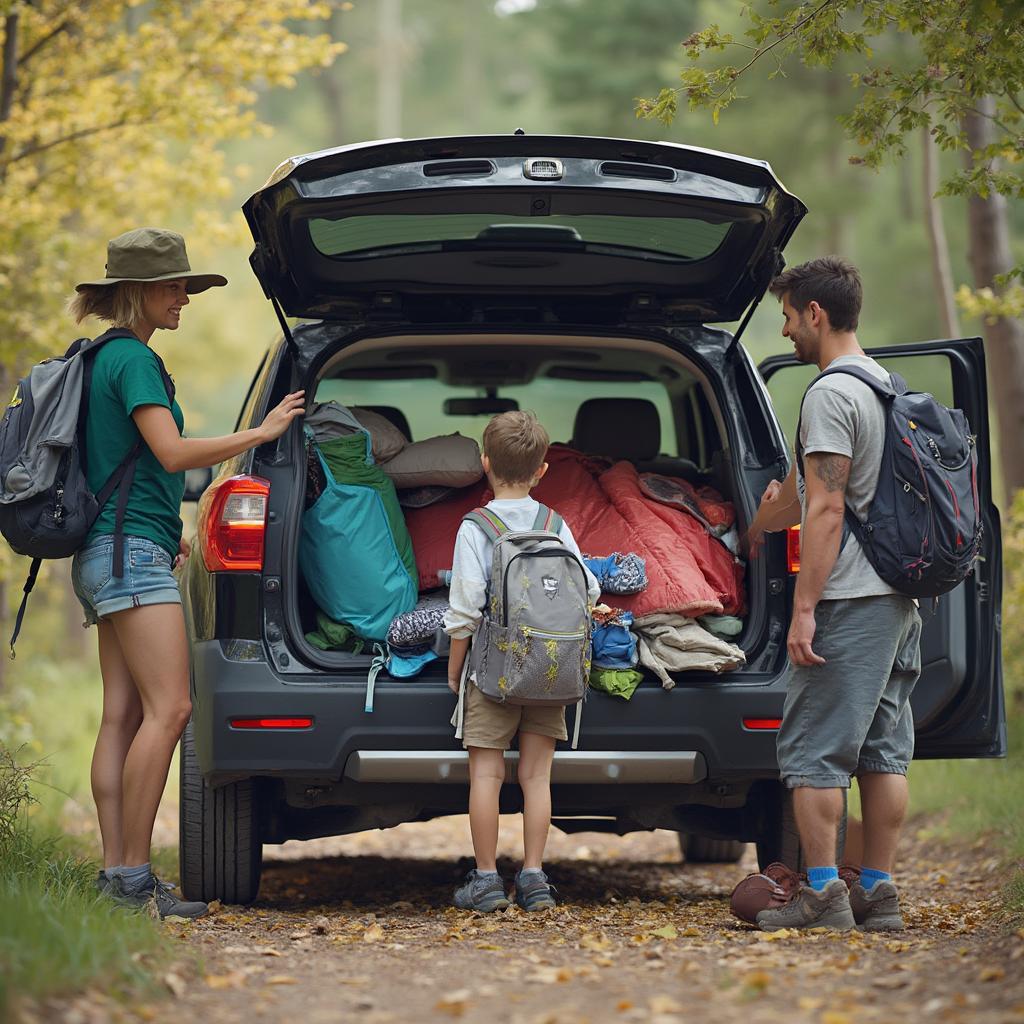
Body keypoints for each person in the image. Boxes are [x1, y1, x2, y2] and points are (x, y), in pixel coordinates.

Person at [68, 228, 305, 919]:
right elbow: (171, 454)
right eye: (175, 287)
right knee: (171, 708)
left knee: (123, 715)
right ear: (139, 292)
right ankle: (134, 877)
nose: (184, 300)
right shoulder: (134, 361)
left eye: (187, 288)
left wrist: (161, 530)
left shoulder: (99, 360)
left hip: (108, 554)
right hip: (129, 556)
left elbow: (133, 463)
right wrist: (259, 436)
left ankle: (118, 876)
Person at [746, 256, 922, 932]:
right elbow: (804, 495)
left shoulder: (828, 394)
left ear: (815, 313)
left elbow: (825, 507)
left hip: (848, 600)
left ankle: (823, 895)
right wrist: (764, 517)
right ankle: (876, 892)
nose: (787, 330)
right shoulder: (885, 385)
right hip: (900, 600)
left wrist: (805, 608)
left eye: (789, 317)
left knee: (817, 754)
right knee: (883, 751)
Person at [443, 411, 600, 912]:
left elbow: (465, 607)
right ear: (542, 471)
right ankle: (534, 877)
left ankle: (487, 878)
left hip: (493, 674)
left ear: (485, 464)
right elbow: (588, 590)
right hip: (551, 669)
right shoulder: (556, 525)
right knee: (537, 777)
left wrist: (455, 667)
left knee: (486, 776)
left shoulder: (476, 527)